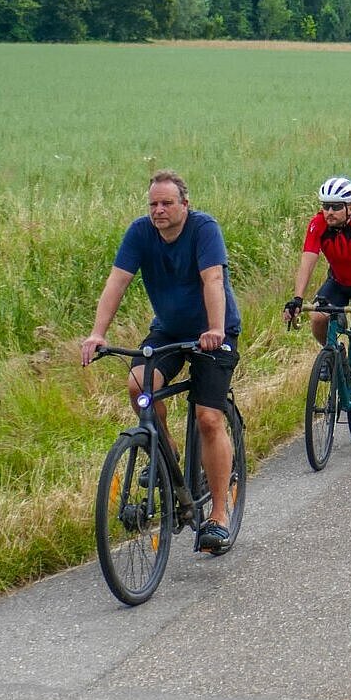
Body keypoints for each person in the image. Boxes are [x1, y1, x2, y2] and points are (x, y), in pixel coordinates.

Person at [81, 169, 242, 556]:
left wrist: (216, 329)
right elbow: (116, 282)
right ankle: (165, 455)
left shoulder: (204, 229)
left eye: (167, 203)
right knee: (139, 386)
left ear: (184, 204)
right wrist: (97, 333)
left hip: (213, 332)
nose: (159, 210)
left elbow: (212, 280)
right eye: (153, 203)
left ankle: (218, 516)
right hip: (169, 331)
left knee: (208, 417)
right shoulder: (140, 233)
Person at [285, 176, 351, 438]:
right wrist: (297, 298)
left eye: (336, 207)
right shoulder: (318, 224)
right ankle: (335, 354)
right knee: (317, 317)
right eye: (325, 206)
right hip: (338, 281)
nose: (329, 212)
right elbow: (308, 260)